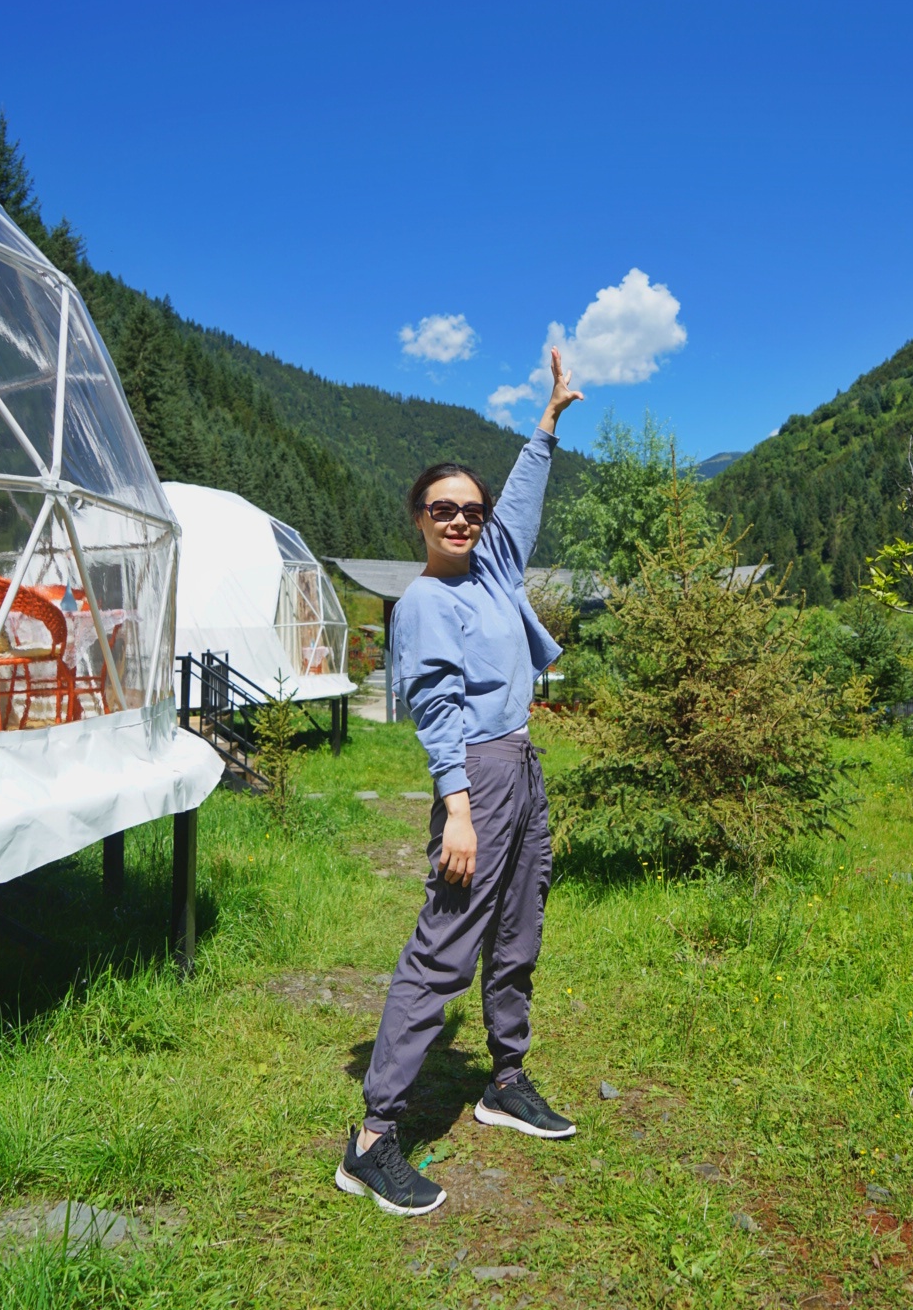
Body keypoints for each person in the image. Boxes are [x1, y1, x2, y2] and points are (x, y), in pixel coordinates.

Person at [335, 347, 583, 1216]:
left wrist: (547, 422)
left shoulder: (495, 569)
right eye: (444, 510)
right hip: (475, 775)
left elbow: (518, 505)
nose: (462, 520)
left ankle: (504, 1082)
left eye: (470, 510)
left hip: (522, 761)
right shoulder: (425, 605)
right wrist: (459, 813)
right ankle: (371, 1141)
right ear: (418, 519)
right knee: (442, 951)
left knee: (519, 932)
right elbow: (438, 714)